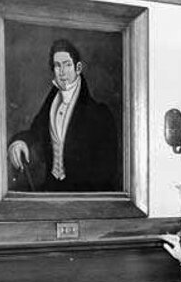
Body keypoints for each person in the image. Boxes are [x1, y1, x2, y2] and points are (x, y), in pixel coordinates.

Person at [8, 39, 118, 192]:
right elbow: (35, 132)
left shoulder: (100, 114)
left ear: (77, 67)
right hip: (52, 190)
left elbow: (107, 170)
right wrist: (19, 142)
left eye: (67, 64)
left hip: (86, 197)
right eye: (57, 66)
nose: (62, 72)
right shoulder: (51, 104)